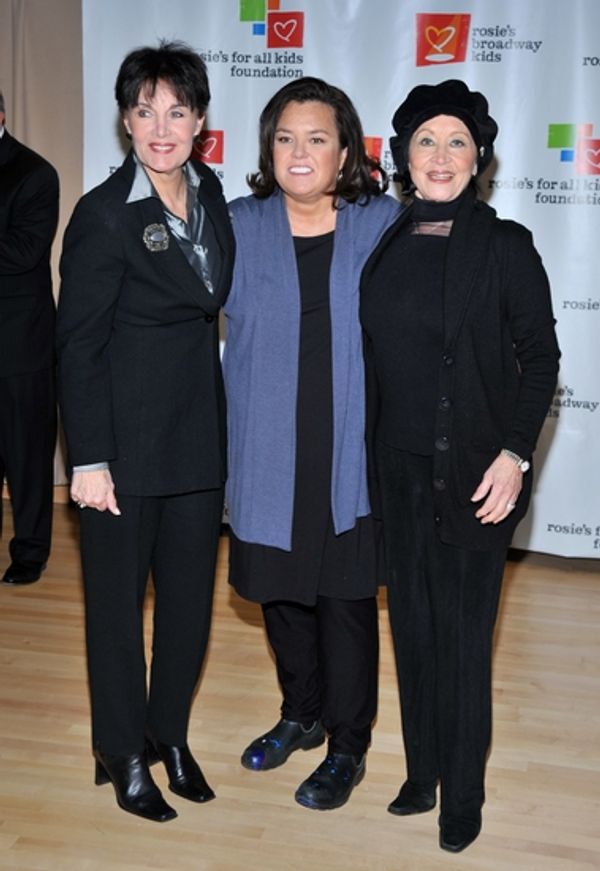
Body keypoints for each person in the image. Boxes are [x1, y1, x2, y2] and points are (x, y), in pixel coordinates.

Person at [360, 80, 560, 851]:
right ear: (403, 157)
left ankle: (463, 794)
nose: (440, 156)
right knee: (412, 627)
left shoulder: (505, 245)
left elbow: (541, 360)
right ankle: (422, 772)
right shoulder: (386, 237)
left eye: (456, 142)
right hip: (398, 471)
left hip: (478, 474)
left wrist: (514, 455)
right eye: (425, 141)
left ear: (479, 158)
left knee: (465, 639)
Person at [56, 41, 234, 822]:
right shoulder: (103, 215)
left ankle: (170, 735)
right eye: (145, 111)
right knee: (117, 612)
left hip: (197, 440)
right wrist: (89, 457)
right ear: (125, 121)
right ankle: (121, 749)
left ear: (199, 121)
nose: (162, 128)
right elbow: (77, 345)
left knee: (189, 608)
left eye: (177, 111)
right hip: (122, 452)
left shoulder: (212, 190)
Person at [223, 77, 400, 811]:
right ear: (268, 148)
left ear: (346, 151)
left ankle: (348, 745)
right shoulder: (236, 224)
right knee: (280, 595)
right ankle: (302, 712)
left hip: (350, 451)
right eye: (286, 137)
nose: (300, 152)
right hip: (266, 448)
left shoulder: (382, 223)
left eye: (318, 138)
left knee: (345, 603)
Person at [0, 90, 59, 585]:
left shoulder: (34, 173)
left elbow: (23, 252)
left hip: (19, 346)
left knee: (27, 458)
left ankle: (30, 552)